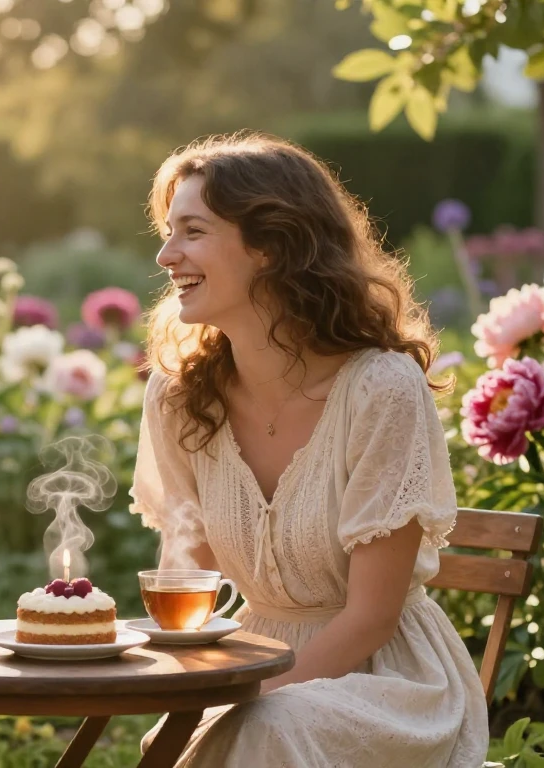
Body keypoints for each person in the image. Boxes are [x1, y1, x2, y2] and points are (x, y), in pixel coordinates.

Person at [130, 133, 488, 766]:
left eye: (191, 231)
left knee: (265, 728)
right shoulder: (180, 398)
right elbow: (186, 589)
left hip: (388, 683)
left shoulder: (380, 387)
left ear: (269, 245)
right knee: (237, 730)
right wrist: (183, 692)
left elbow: (372, 617)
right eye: (168, 231)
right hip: (250, 664)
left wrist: (238, 701)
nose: (165, 255)